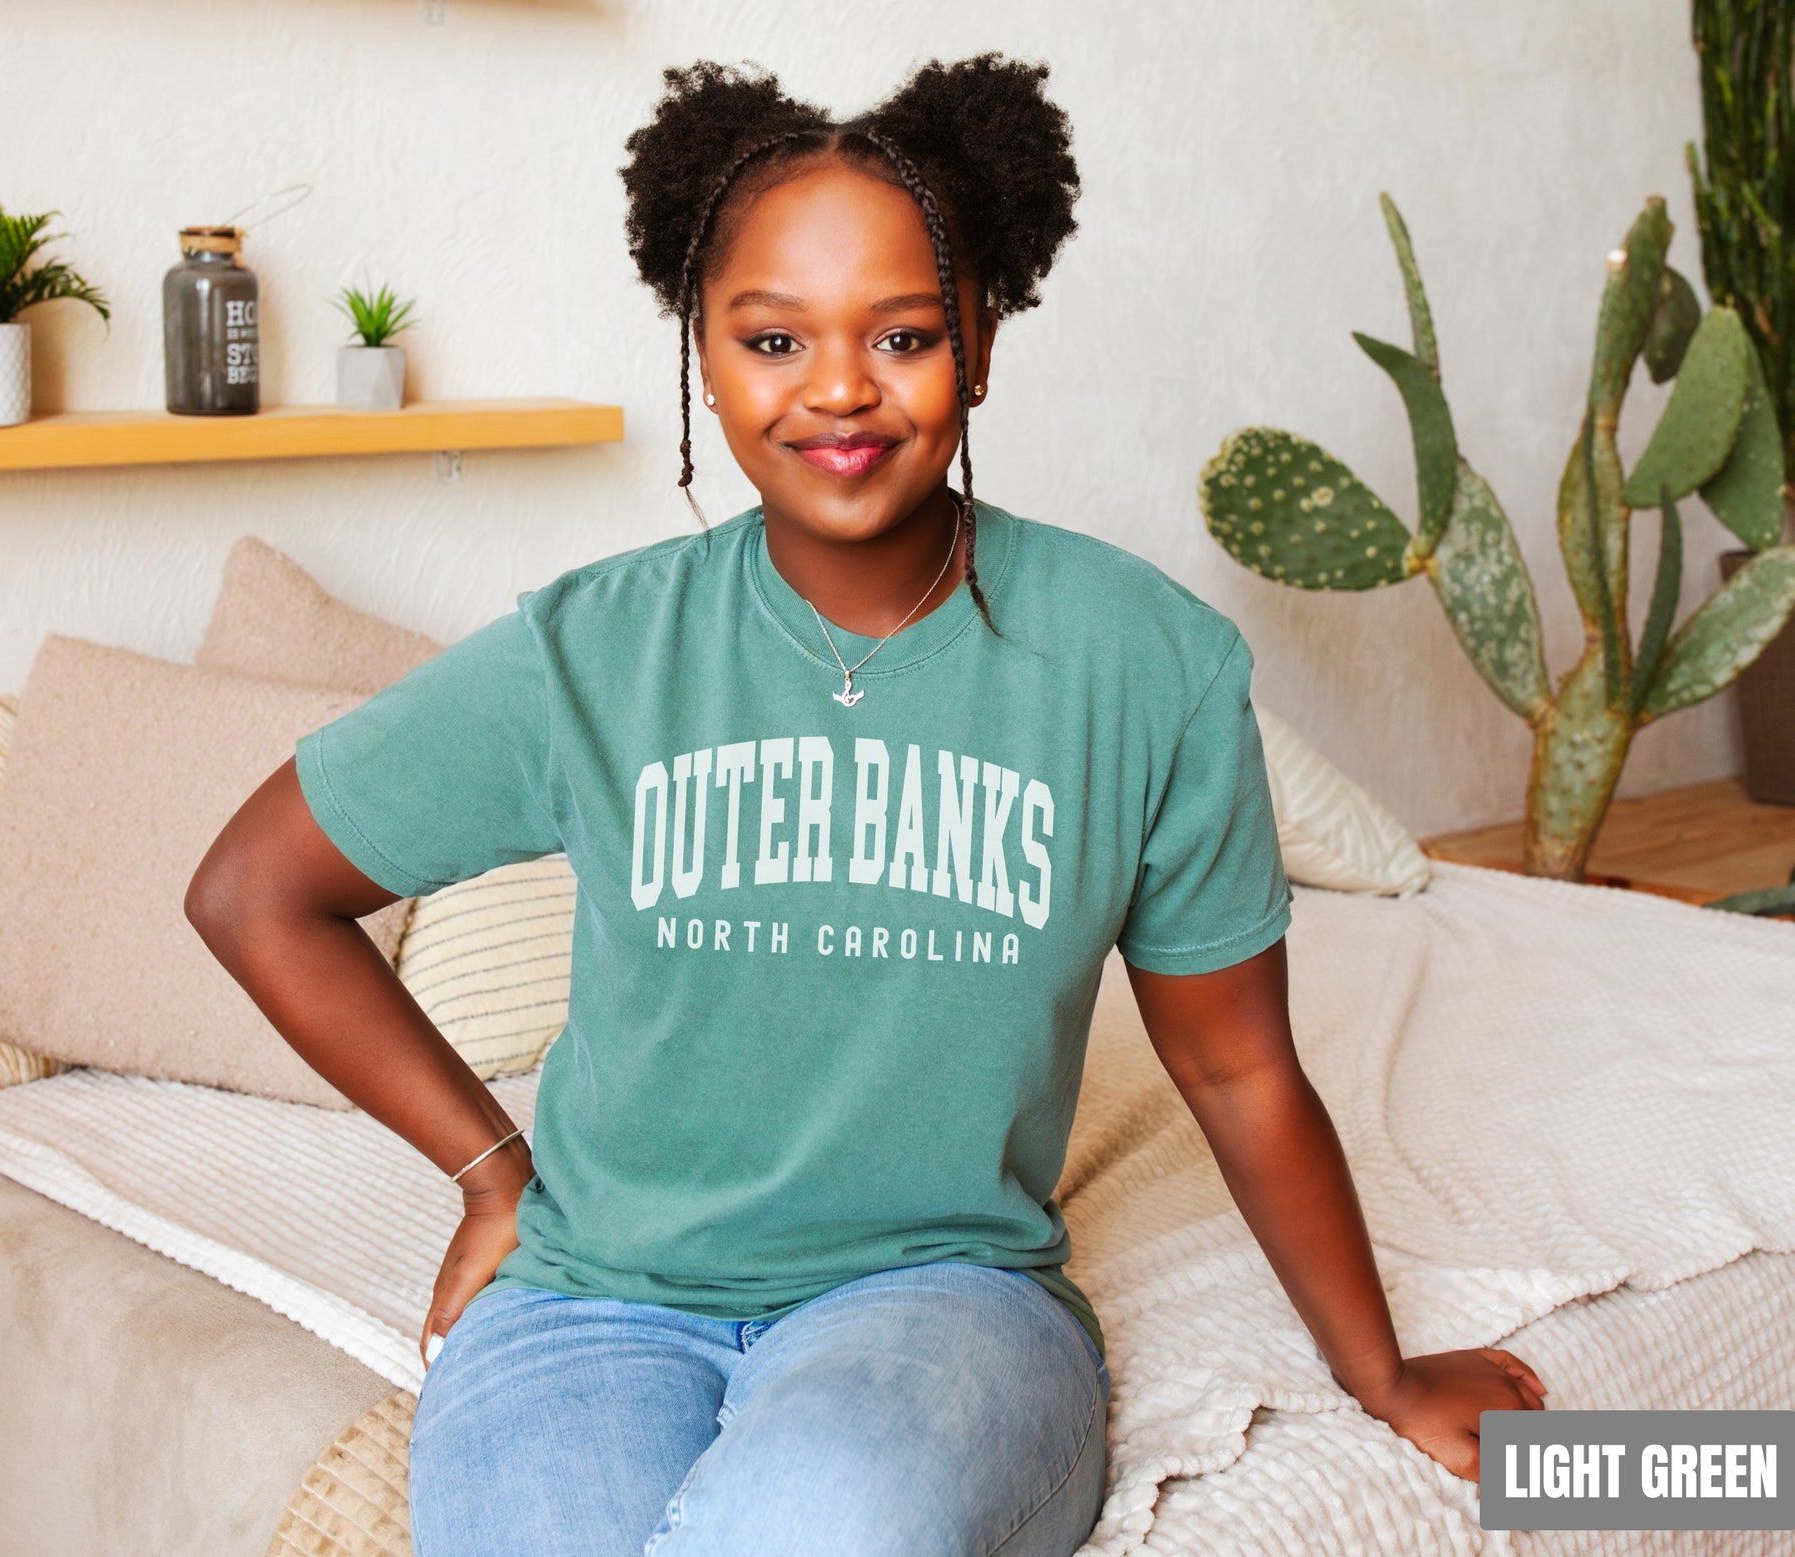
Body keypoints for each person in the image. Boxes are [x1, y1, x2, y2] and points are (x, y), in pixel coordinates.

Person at [186, 53, 1546, 1557]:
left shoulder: (1141, 663)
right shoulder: (591, 651)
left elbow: (1234, 1070)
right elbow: (254, 889)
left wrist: (1378, 1366)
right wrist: (489, 1174)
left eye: (901, 333)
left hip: (942, 1307)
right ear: (701, 352)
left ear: (981, 338)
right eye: (772, 337)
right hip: (588, 1303)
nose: (837, 386)